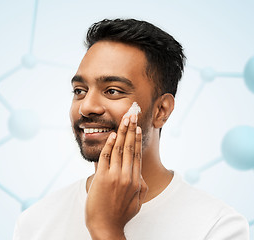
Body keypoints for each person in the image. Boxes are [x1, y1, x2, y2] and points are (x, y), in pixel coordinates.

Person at [13, 18, 250, 240]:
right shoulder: (35, 224)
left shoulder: (218, 227)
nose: (87, 107)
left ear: (161, 110)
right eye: (79, 91)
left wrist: (106, 229)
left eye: (112, 91)